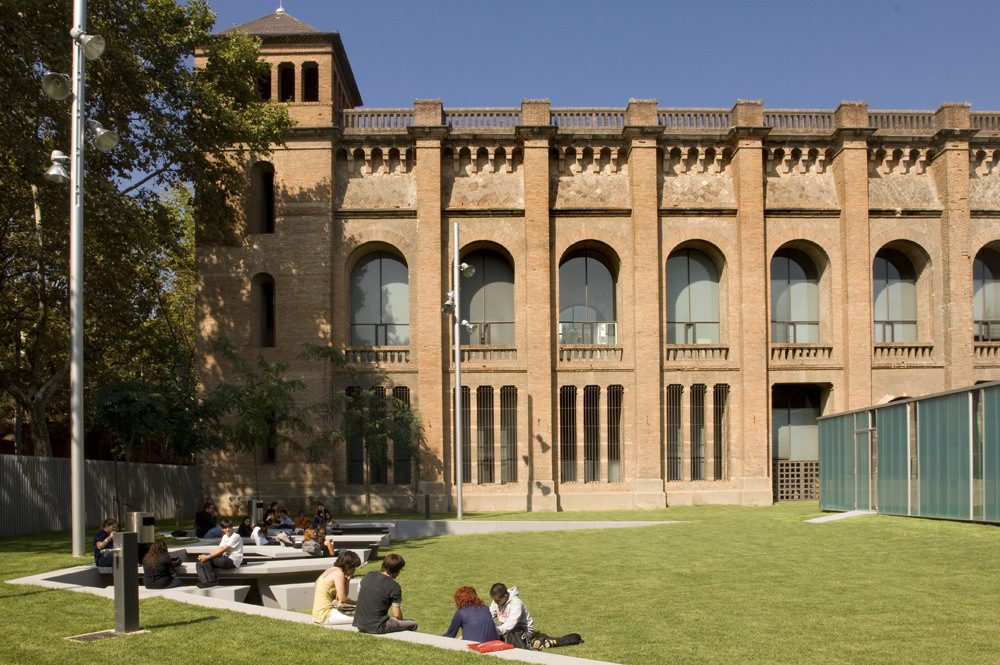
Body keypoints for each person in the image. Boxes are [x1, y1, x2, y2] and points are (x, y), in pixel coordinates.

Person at [489, 583, 583, 650]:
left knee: (510, 637)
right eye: (494, 600)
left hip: (523, 631)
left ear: (505, 596)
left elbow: (511, 624)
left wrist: (496, 630)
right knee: (500, 632)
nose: (495, 603)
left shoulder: (516, 603)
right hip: (508, 630)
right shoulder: (496, 601)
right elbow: (489, 615)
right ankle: (539, 640)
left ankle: (536, 640)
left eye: (497, 601)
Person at [352, 553, 417, 634]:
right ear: (397, 570)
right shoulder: (394, 586)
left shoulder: (369, 575)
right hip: (377, 626)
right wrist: (401, 622)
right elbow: (397, 615)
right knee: (413, 623)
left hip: (359, 624)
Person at [311, 550, 361, 625]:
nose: (354, 570)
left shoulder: (332, 570)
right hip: (325, 615)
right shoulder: (339, 574)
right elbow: (342, 599)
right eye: (354, 568)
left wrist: (347, 581)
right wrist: (358, 604)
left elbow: (340, 598)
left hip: (318, 615)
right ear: (349, 566)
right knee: (361, 618)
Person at [195, 519, 243, 588]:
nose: (227, 529)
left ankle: (212, 581)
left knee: (207, 559)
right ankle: (204, 582)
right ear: (222, 529)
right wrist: (206, 556)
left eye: (229, 527)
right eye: (225, 528)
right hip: (224, 558)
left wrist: (207, 557)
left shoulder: (236, 536)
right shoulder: (225, 537)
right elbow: (219, 549)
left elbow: (223, 549)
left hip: (232, 561)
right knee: (200, 562)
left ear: (232, 527)